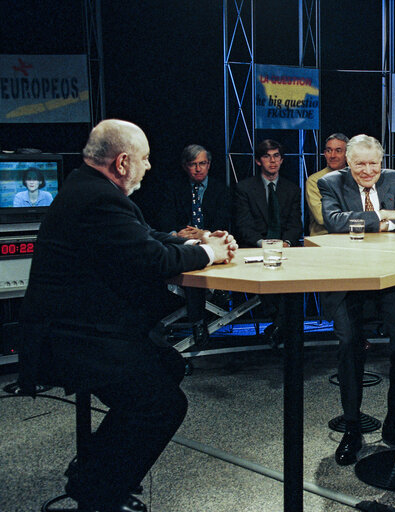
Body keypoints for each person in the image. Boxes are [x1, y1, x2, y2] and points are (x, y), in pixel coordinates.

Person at [18, 119, 238, 512]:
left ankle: (97, 468)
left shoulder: (89, 187)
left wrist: (196, 239)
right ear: (122, 162)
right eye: (144, 158)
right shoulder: (99, 197)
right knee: (163, 404)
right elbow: (149, 258)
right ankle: (101, 493)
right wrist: (210, 254)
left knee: (167, 366)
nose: (149, 167)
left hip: (88, 325)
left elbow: (144, 234)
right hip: (75, 335)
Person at [317, 134, 395, 465]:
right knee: (350, 345)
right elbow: (335, 222)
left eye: (374, 163)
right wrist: (384, 218)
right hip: (347, 279)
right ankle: (352, 429)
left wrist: (394, 227)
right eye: (361, 164)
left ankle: (394, 424)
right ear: (348, 162)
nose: (369, 171)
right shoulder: (331, 183)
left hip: (391, 278)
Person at [156, 144, 232, 345]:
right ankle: (198, 322)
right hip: (183, 246)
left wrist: (204, 234)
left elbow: (224, 223)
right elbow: (165, 221)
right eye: (193, 164)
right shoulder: (172, 188)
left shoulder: (220, 189)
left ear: (209, 164)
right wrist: (176, 234)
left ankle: (206, 312)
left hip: (214, 244)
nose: (198, 169)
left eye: (202, 164)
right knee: (193, 266)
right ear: (184, 166)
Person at [234, 139, 302, 248]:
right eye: (266, 156)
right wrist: (264, 244)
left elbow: (295, 225)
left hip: (285, 248)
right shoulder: (244, 188)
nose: (272, 160)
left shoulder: (292, 190)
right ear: (258, 161)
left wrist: (287, 243)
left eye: (276, 156)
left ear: (281, 160)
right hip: (255, 246)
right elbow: (244, 226)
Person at [306, 133, 348, 235]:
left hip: (349, 238)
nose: (332, 155)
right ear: (325, 154)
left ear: (348, 154)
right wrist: (357, 217)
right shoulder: (314, 181)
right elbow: (322, 218)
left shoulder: (356, 178)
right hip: (323, 239)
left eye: (338, 151)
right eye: (329, 151)